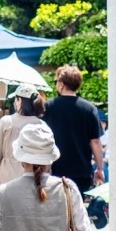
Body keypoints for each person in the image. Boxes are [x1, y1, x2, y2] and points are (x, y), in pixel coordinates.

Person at [42, 65, 104, 194]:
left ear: (62, 84)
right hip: (81, 170)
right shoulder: (89, 108)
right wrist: (100, 168)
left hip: (54, 168)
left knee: (55, 209)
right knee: (76, 209)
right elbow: (95, 142)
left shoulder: (48, 107)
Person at [0, 84, 45, 192]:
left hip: (7, 176)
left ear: (19, 100)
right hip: (32, 178)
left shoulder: (6, 121)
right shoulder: (41, 125)